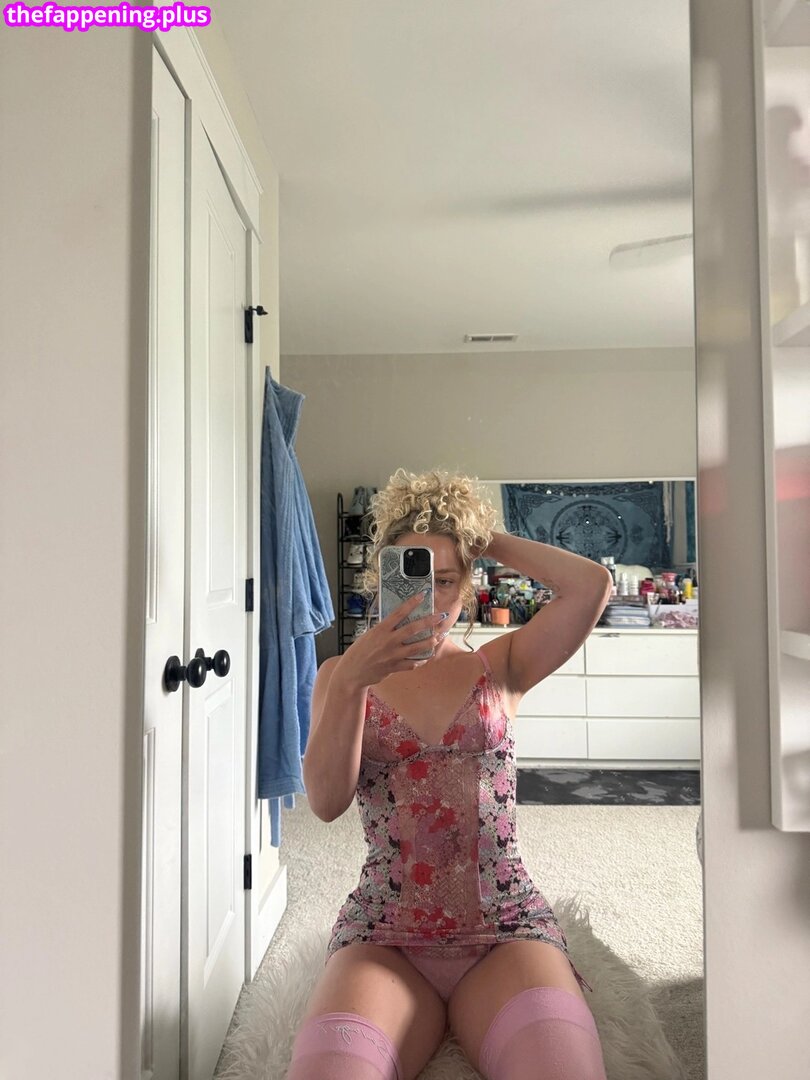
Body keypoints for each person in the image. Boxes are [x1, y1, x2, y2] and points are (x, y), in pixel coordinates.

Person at [290, 469, 613, 1080]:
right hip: (385, 934)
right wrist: (355, 680)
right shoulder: (340, 676)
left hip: (505, 928)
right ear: (381, 576)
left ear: (468, 581)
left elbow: (590, 585)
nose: (430, 599)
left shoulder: (504, 664)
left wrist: (478, 535)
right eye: (413, 576)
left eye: (445, 579)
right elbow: (327, 803)